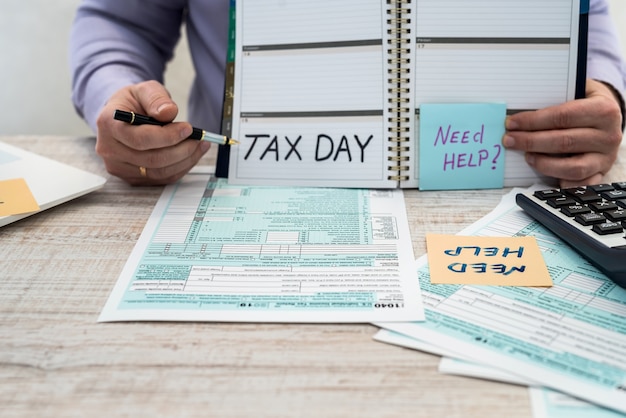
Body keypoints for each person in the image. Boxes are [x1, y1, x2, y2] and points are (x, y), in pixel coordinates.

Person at [70, 0, 626, 187]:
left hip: (501, 186)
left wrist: (600, 93)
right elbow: (122, 23)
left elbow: (584, 10)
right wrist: (115, 96)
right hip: (235, 187)